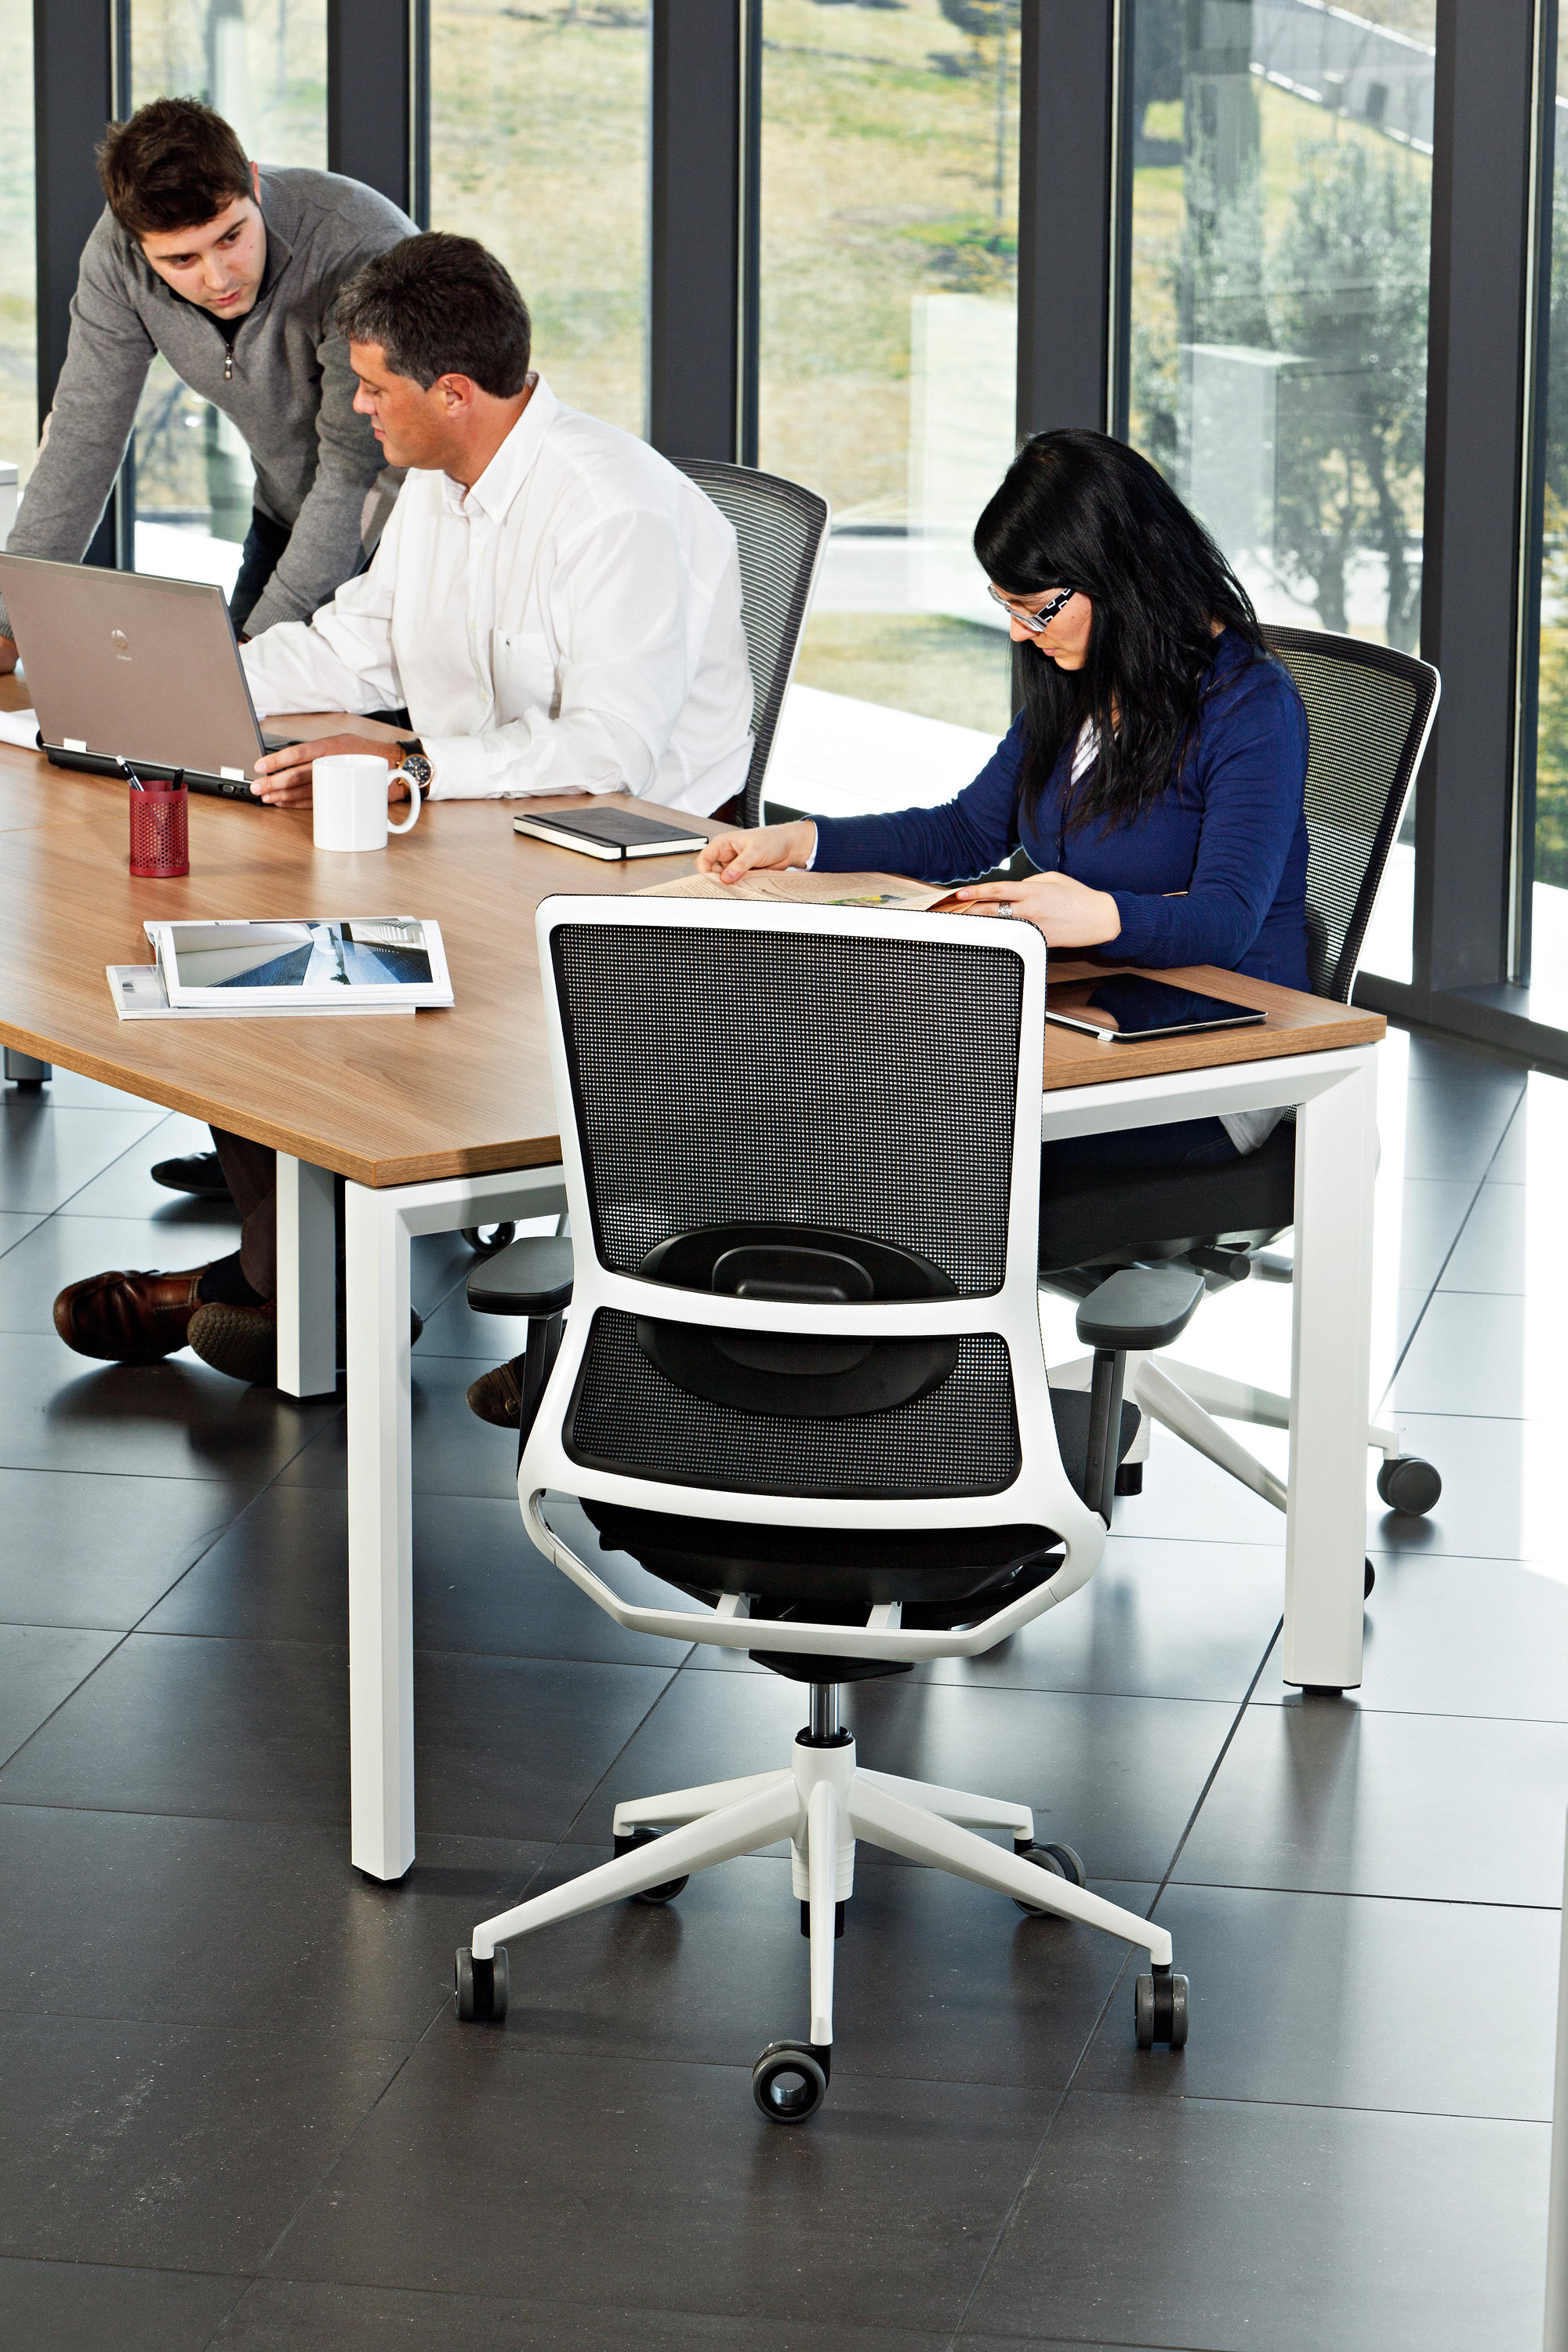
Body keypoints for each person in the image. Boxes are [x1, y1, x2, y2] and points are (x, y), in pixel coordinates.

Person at [53, 232, 754, 1392]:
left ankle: (273, 1286)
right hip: (476, 829)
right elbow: (356, 646)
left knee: (290, 967)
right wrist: (185, 684)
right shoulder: (436, 488)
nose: (358, 409)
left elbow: (609, 754)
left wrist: (414, 772)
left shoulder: (611, 511)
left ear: (455, 393)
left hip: (621, 863)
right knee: (228, 952)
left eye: (376, 388)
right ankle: (295, 1279)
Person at [697, 426, 1309, 1184]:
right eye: (1008, 605)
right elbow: (965, 832)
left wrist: (1099, 915)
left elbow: (1227, 919)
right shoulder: (1082, 676)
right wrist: (802, 842)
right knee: (816, 1091)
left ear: (1120, 574)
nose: (1020, 632)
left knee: (909, 1149)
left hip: (1215, 1057)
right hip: (1089, 1009)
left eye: (1037, 608)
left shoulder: (1247, 703)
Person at [0, 96, 415, 662]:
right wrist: (12, 619)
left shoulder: (358, 247)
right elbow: (83, 434)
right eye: (182, 261)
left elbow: (355, 470)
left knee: (303, 706)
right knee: (226, 707)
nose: (219, 279)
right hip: (286, 518)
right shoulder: (118, 257)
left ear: (254, 183)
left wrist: (257, 649)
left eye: (230, 237)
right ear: (137, 244)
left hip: (408, 535)